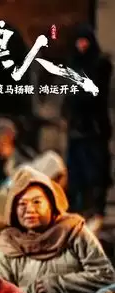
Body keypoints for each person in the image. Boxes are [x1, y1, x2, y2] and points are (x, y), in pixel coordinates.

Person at [0, 166, 115, 293]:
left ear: (52, 204)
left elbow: (105, 275)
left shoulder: (74, 232)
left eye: (37, 202)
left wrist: (56, 284)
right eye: (22, 204)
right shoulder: (8, 245)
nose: (29, 209)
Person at [62, 24, 113, 234]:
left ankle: (97, 211)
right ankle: (80, 210)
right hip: (77, 129)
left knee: (96, 172)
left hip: (95, 128)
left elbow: (96, 94)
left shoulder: (101, 64)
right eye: (79, 41)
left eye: (85, 41)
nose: (81, 45)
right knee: (77, 173)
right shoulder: (73, 63)